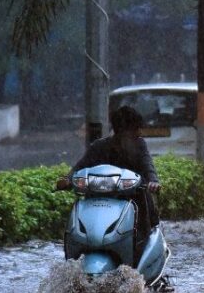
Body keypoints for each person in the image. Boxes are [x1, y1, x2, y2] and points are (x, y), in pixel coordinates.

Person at [57, 105, 161, 245]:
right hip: (100, 198)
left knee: (143, 224)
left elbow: (148, 166)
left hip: (132, 197)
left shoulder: (139, 145)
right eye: (135, 129)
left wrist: (153, 181)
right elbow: (79, 167)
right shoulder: (99, 147)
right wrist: (67, 180)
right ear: (123, 130)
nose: (138, 133)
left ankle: (141, 244)